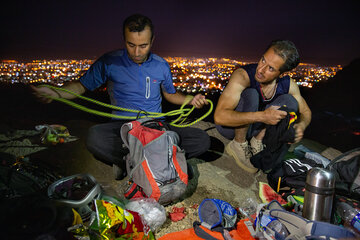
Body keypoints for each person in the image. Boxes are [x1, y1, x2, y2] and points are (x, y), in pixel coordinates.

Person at [31, 14, 210, 179]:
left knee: (202, 140)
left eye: (143, 46)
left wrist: (190, 100)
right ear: (124, 39)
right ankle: (164, 158)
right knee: (95, 137)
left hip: (156, 126)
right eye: (131, 45)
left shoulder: (161, 65)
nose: (137, 52)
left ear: (152, 41)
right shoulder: (109, 62)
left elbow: (170, 95)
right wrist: (55, 93)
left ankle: (132, 160)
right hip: (123, 127)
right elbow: (80, 86)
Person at [214, 40, 311, 173]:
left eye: (271, 68)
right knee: (251, 94)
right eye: (263, 60)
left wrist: (302, 125)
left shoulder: (288, 84)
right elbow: (219, 117)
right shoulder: (243, 75)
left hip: (256, 129)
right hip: (231, 128)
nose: (261, 69)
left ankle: (257, 141)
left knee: (290, 102)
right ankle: (238, 144)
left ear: (282, 74)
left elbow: (305, 111)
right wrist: (262, 116)